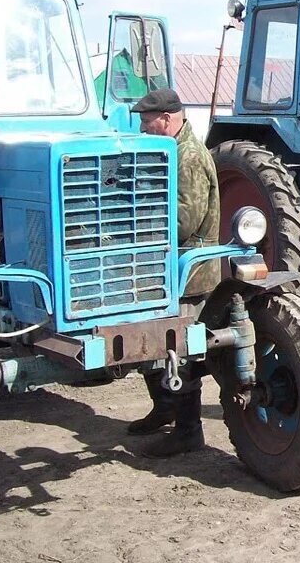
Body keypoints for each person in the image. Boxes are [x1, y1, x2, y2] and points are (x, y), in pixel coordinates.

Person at [127, 88, 221, 458]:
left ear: (167, 119)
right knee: (148, 338)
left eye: (147, 123)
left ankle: (188, 432)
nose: (143, 129)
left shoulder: (190, 156)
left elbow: (186, 221)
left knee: (177, 351)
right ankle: (164, 409)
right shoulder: (170, 151)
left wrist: (135, 225)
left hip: (189, 271)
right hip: (167, 269)